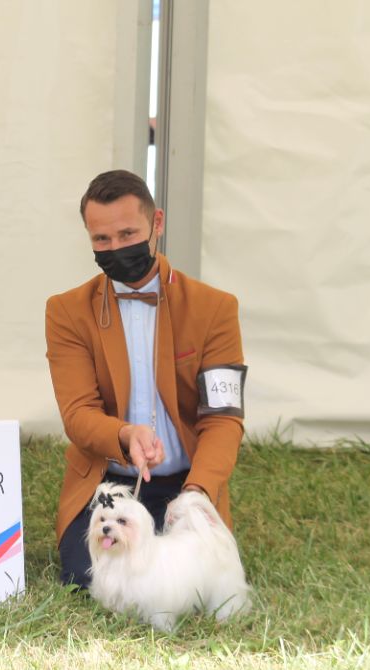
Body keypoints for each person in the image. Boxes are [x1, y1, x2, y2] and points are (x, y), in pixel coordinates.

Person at [45, 170, 246, 587]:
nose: (116, 248)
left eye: (127, 234)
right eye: (101, 239)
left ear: (157, 223)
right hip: (109, 483)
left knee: (192, 579)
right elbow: (78, 414)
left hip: (185, 482)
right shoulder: (66, 312)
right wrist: (124, 435)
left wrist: (199, 493)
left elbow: (223, 418)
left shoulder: (214, 309)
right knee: (87, 577)